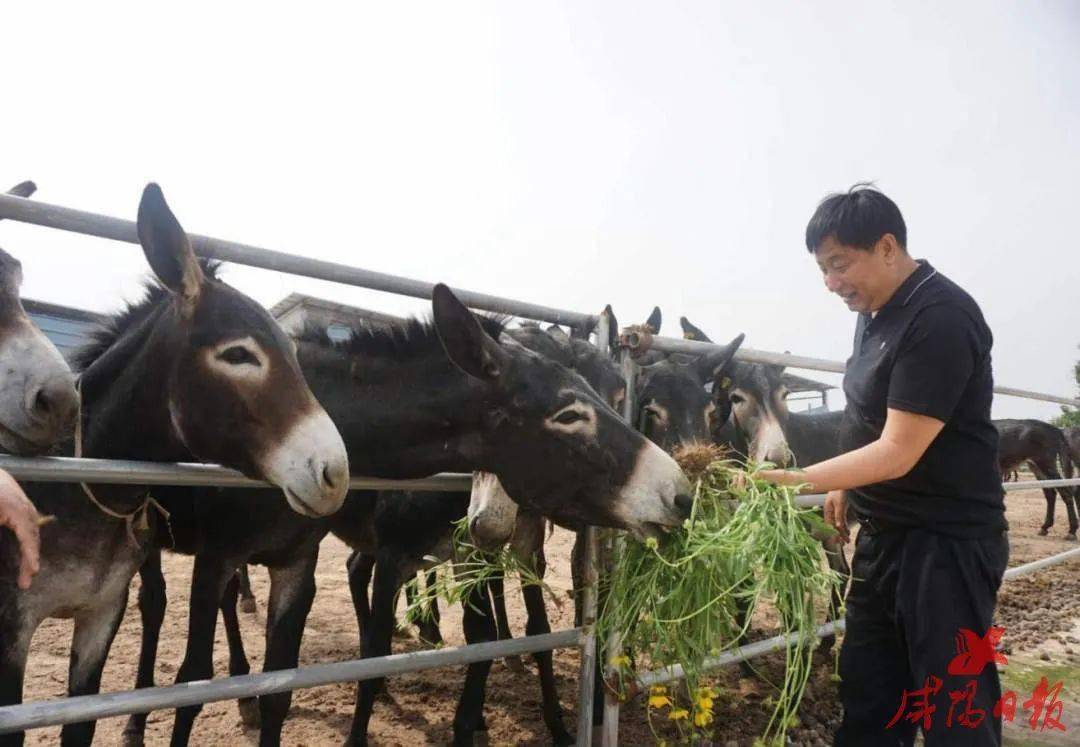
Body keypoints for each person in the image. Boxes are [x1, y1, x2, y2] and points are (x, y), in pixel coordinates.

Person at [756, 185, 1009, 746]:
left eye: (839, 264)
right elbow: (869, 410)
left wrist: (790, 481)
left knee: (954, 706)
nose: (831, 283)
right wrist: (846, 486)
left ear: (888, 246)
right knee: (870, 692)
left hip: (946, 542)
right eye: (822, 269)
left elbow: (898, 450)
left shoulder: (940, 317)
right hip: (884, 535)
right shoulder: (873, 310)